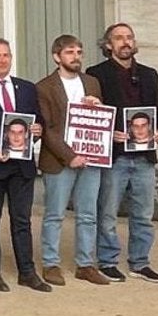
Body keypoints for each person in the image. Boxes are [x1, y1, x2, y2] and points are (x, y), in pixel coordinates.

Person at [87, 23, 158, 282]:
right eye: (119, 38)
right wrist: (108, 133)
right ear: (108, 45)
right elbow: (91, 116)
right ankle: (108, 261)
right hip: (114, 155)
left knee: (144, 213)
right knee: (108, 211)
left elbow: (157, 110)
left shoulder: (149, 73)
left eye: (129, 37)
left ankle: (140, 262)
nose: (125, 42)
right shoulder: (95, 74)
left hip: (145, 155)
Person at [0, 37, 50, 292]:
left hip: (21, 167)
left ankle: (26, 272)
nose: (2, 60)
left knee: (22, 220)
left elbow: (36, 122)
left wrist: (37, 130)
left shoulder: (26, 88)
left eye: (6, 55)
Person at [37, 35, 108, 287]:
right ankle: (50, 263)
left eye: (79, 51)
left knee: (88, 214)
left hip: (91, 158)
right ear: (57, 56)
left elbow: (99, 123)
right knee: (54, 214)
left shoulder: (92, 82)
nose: (75, 56)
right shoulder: (44, 87)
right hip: (59, 161)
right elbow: (47, 129)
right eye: (69, 52)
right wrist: (70, 156)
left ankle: (85, 264)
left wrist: (98, 106)